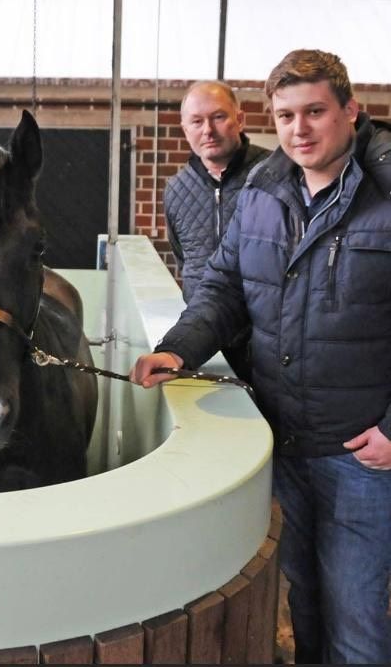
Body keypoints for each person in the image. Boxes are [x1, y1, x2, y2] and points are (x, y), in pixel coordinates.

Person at [131, 50, 391, 664]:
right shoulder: (262, 195)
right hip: (285, 441)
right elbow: (223, 288)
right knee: (304, 597)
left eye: (315, 112)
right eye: (284, 115)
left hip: (363, 455)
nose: (299, 129)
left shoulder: (383, 199)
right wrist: (178, 348)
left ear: (351, 111)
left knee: (356, 611)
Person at [165, 81, 269, 382]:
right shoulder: (175, 190)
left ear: (240, 119)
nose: (207, 130)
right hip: (204, 345)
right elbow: (184, 261)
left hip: (265, 347)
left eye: (218, 117)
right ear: (185, 128)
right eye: (196, 121)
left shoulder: (275, 176)